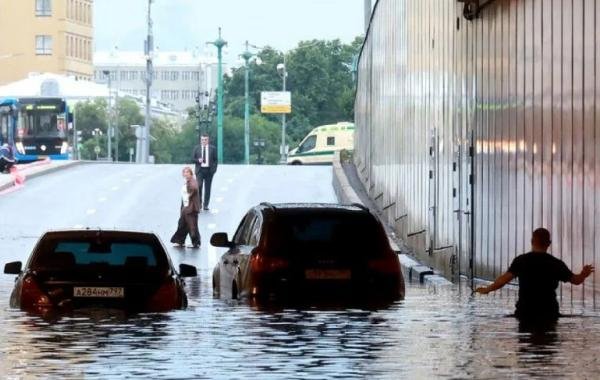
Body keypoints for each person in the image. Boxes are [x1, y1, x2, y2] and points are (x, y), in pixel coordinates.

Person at [476, 228, 595, 322]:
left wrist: (487, 289)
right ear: (549, 243)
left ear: (532, 241)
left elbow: (503, 281)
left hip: (525, 311)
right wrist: (583, 274)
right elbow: (576, 280)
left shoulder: (521, 261)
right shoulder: (556, 264)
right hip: (549, 312)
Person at [170, 167, 201, 248]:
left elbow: (194, 188)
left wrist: (189, 196)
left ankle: (196, 243)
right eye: (184, 172)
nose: (185, 174)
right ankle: (180, 241)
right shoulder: (188, 181)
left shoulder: (192, 181)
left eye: (187, 172)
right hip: (186, 207)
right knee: (182, 224)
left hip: (191, 208)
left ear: (191, 173)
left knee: (192, 226)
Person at [192, 133, 218, 211]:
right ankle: (199, 204)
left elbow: (215, 160)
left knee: (207, 188)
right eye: (202, 140)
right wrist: (198, 160)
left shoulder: (212, 148)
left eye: (205, 140)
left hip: (209, 171)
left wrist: (213, 170)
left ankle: (206, 205)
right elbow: (192, 159)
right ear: (201, 140)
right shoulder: (197, 148)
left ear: (208, 140)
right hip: (200, 170)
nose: (204, 141)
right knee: (199, 186)